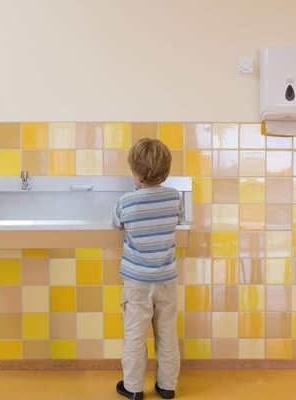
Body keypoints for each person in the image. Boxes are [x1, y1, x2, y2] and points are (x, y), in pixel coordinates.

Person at [111, 138, 184, 400]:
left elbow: (116, 223)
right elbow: (178, 218)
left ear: (135, 173)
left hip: (136, 282)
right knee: (167, 333)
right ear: (166, 170)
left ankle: (133, 388)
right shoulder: (174, 198)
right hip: (166, 280)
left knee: (135, 335)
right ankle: (167, 386)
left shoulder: (126, 202)